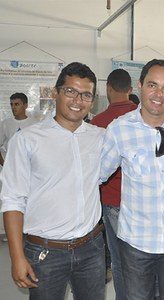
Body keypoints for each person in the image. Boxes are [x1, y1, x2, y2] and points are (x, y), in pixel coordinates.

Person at [0, 62, 106, 300]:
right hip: (45, 252)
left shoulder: (100, 137)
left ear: (92, 101)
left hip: (92, 249)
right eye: (70, 91)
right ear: (56, 92)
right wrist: (17, 257)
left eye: (86, 95)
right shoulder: (27, 140)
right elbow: (12, 201)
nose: (77, 100)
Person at [100, 59, 164, 300]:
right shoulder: (119, 129)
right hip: (136, 244)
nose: (158, 94)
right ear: (140, 86)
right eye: (152, 85)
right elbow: (97, 175)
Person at [91, 68, 137, 299]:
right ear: (131, 90)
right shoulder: (144, 117)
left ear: (107, 88)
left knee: (119, 261)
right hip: (142, 202)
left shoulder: (97, 123)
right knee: (146, 259)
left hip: (111, 203)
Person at [0, 92, 37, 166]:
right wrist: (3, 163)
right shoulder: (5, 123)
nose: (13, 107)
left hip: (28, 167)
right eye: (11, 104)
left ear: (25, 105)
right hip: (9, 167)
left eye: (16, 104)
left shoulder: (35, 124)